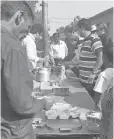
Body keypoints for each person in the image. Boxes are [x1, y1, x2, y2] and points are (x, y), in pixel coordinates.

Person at [1, 1, 53, 139]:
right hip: (12, 129)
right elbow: (22, 104)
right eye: (28, 27)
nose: (27, 33)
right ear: (19, 17)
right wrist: (42, 103)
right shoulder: (12, 47)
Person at [62, 18, 103, 99]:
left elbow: (101, 58)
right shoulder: (85, 42)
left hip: (91, 82)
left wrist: (93, 72)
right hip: (84, 80)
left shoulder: (94, 40)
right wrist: (67, 63)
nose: (78, 32)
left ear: (82, 28)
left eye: (78, 29)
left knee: (90, 105)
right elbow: (82, 60)